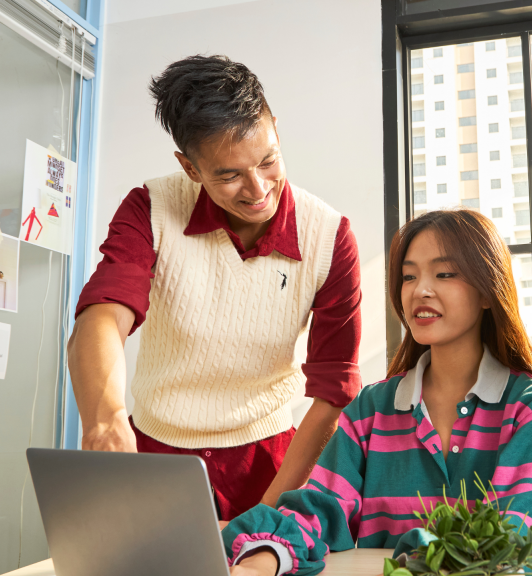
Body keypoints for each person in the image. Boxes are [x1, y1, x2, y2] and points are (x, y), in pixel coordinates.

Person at [67, 55, 362, 520]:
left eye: (268, 161)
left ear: (276, 131)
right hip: (156, 455)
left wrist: (269, 511)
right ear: (190, 167)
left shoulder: (329, 236)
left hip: (269, 465)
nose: (258, 188)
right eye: (228, 175)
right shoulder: (151, 207)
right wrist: (104, 422)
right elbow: (103, 314)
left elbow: (332, 392)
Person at [222, 209, 532, 576]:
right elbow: (321, 508)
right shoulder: (371, 409)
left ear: (488, 291)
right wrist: (265, 559)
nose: (420, 290)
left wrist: (429, 556)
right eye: (409, 276)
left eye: (445, 274)